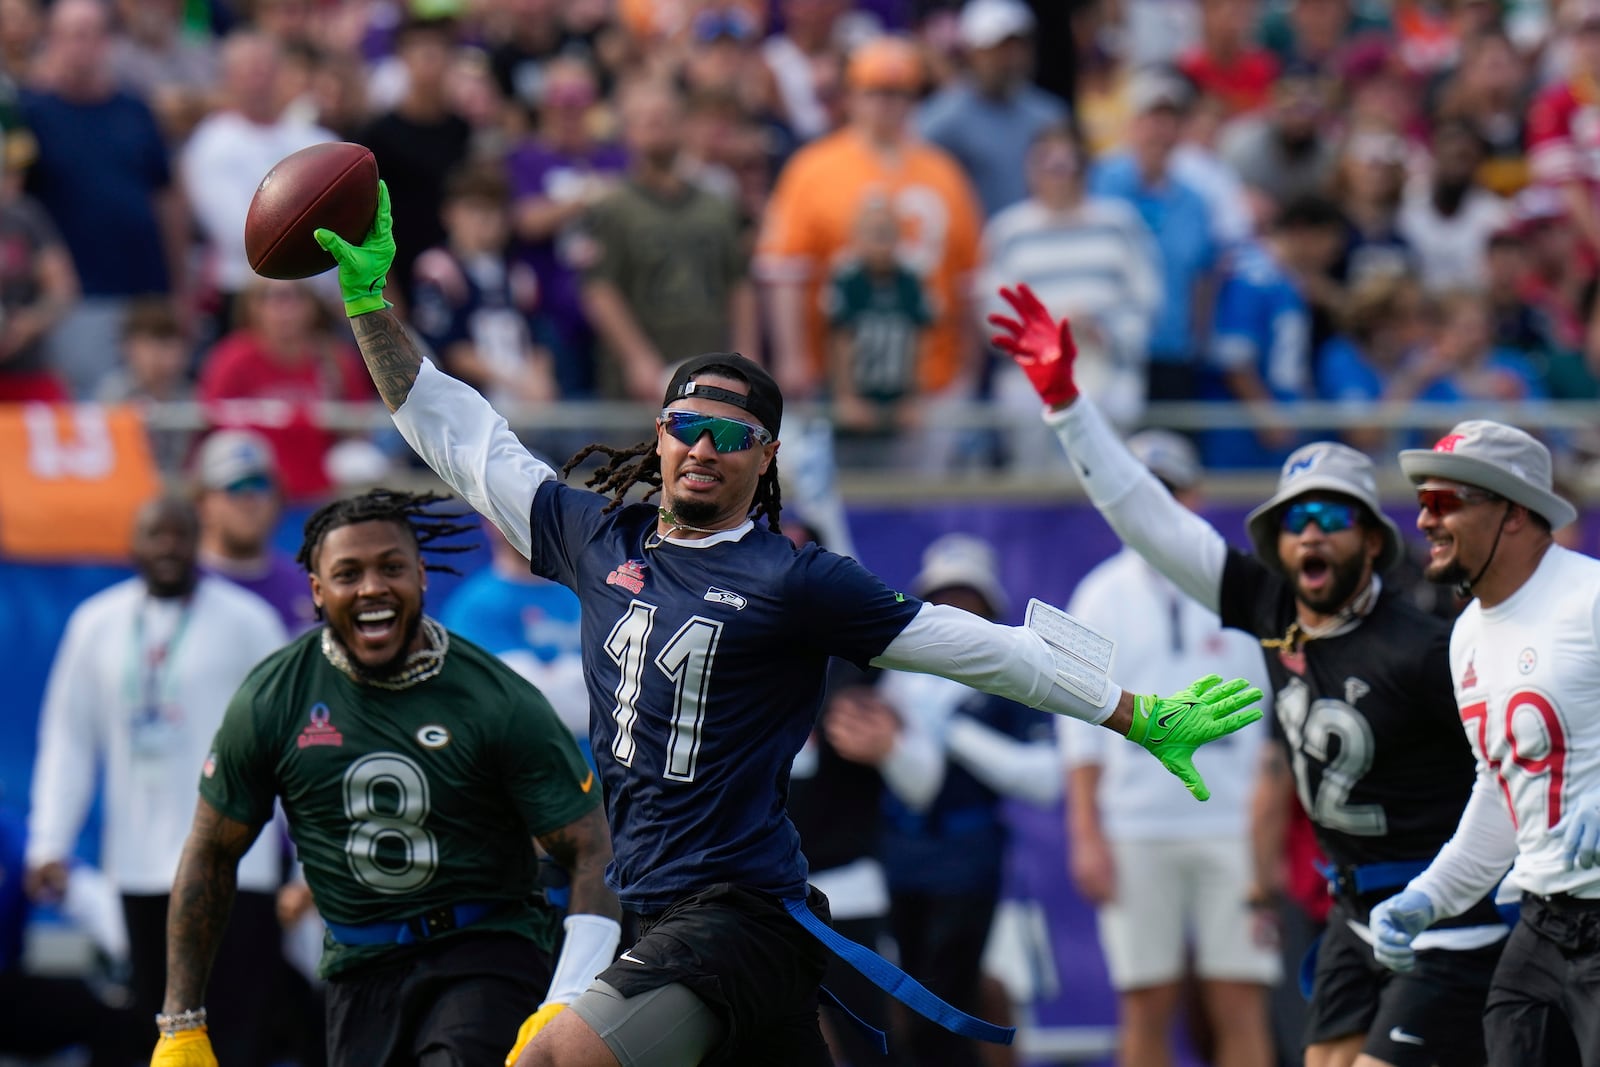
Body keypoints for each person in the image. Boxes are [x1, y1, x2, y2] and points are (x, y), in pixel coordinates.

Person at [311, 182, 1266, 1066]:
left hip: (736, 917)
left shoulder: (794, 577)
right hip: (655, 907)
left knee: (552, 1057)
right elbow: (457, 429)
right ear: (659, 432)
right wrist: (366, 306)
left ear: (763, 459)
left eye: (732, 437)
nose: (703, 448)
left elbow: (972, 646)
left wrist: (1131, 710)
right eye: (688, 424)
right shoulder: (595, 533)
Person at [990, 283, 1507, 1067]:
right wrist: (1066, 403)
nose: (1310, 534)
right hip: (1351, 905)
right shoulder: (1270, 606)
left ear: (1372, 540)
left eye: (1332, 518)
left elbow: (1508, 774)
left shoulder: (1424, 646)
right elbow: (1146, 516)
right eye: (1295, 519)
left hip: (1438, 908)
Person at [149, 489, 619, 1067]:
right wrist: (180, 1025)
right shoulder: (275, 697)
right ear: (317, 592)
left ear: (422, 577)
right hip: (357, 966)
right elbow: (210, 853)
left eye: (391, 568)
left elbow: (592, 846)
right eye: (348, 573)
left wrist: (569, 995)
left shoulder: (494, 695)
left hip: (485, 951)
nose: (372, 587)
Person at [1369, 421, 1600, 1065]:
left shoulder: (1590, 598)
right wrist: (1429, 895)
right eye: (1422, 502)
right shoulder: (1466, 635)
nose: (1424, 521)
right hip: (1542, 922)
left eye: (1445, 502)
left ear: (1515, 512)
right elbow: (1501, 793)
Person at [26, 495, 288, 1064]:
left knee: (241, 1029)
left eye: (179, 534)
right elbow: (68, 740)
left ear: (199, 539)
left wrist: (306, 858)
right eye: (155, 534)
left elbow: (288, 743)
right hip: (142, 867)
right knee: (157, 1026)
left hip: (242, 867)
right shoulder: (95, 623)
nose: (167, 546)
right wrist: (50, 841)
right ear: (133, 544)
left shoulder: (249, 621)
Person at [1060, 429, 1279, 1067]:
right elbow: (1078, 733)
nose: (1158, 504)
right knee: (1145, 999)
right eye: (1144, 491)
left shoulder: (1241, 586)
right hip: (1135, 827)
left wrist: (1268, 830)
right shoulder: (1099, 594)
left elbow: (1275, 727)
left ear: (1197, 496)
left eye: (1171, 490)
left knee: (1238, 996)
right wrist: (1086, 835)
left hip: (1234, 823)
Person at [578, 76, 758, 402]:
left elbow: (739, 282)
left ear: (684, 124)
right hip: (641, 380)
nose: (654, 126)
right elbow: (600, 289)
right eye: (643, 119)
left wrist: (746, 354)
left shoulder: (717, 203)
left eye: (663, 117)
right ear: (627, 130)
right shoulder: (613, 207)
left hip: (712, 365)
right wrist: (637, 358)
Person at [192, 428, 318, 634]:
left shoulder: (306, 586)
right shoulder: (181, 585)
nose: (249, 500)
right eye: (235, 486)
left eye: (260, 485)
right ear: (202, 503)